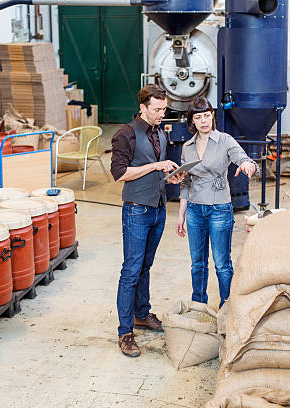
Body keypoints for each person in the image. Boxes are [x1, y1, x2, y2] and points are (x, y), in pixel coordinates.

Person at [110, 84, 184, 357]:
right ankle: (125, 332)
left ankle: (142, 314)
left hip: (157, 207)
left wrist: (170, 176)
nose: (161, 114)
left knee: (146, 265)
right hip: (136, 210)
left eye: (164, 109)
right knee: (131, 269)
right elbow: (119, 174)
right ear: (143, 107)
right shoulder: (125, 134)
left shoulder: (159, 134)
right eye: (157, 109)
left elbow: (155, 170)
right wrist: (155, 166)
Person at [175, 96, 257, 308]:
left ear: (213, 117)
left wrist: (248, 165)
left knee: (222, 264)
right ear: (192, 121)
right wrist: (181, 215)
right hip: (194, 209)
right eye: (198, 117)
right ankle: (198, 305)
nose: (203, 121)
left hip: (219, 209)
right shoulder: (187, 147)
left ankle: (227, 307)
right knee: (197, 264)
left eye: (207, 116)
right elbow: (185, 181)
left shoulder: (225, 141)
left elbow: (242, 157)